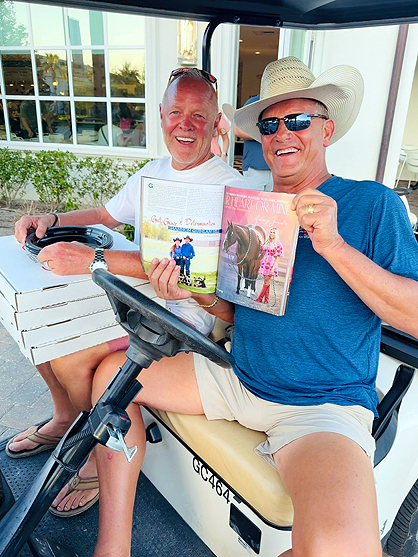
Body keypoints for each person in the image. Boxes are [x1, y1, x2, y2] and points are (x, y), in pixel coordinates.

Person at [88, 56, 418, 557]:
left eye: (298, 120)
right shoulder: (253, 209)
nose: (283, 133)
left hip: (319, 406)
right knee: (111, 379)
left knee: (342, 548)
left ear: (327, 129)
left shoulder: (372, 204)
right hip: (236, 374)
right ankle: (112, 548)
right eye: (270, 124)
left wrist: (334, 246)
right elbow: (240, 310)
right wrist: (197, 293)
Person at [8, 67, 247, 519]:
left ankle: (96, 453)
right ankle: (65, 419)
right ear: (160, 115)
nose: (185, 125)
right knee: (43, 325)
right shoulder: (153, 172)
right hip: (139, 298)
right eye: (176, 112)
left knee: (69, 356)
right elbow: (106, 215)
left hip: (183, 317)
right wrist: (51, 220)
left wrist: (95, 259)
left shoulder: (234, 189)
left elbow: (215, 282)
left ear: (217, 121)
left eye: (199, 115)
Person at [226, 94, 273, 192]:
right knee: (253, 201)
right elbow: (238, 130)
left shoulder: (283, 102)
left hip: (279, 168)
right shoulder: (254, 102)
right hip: (255, 167)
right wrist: (267, 134)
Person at [255, 226, 283, 304]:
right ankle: (266, 299)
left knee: (266, 282)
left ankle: (260, 298)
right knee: (267, 282)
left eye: (274, 232)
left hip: (271, 265)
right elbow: (262, 250)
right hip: (265, 263)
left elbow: (278, 258)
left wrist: (273, 268)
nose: (272, 234)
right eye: (271, 232)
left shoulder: (278, 244)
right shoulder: (267, 242)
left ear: (276, 234)